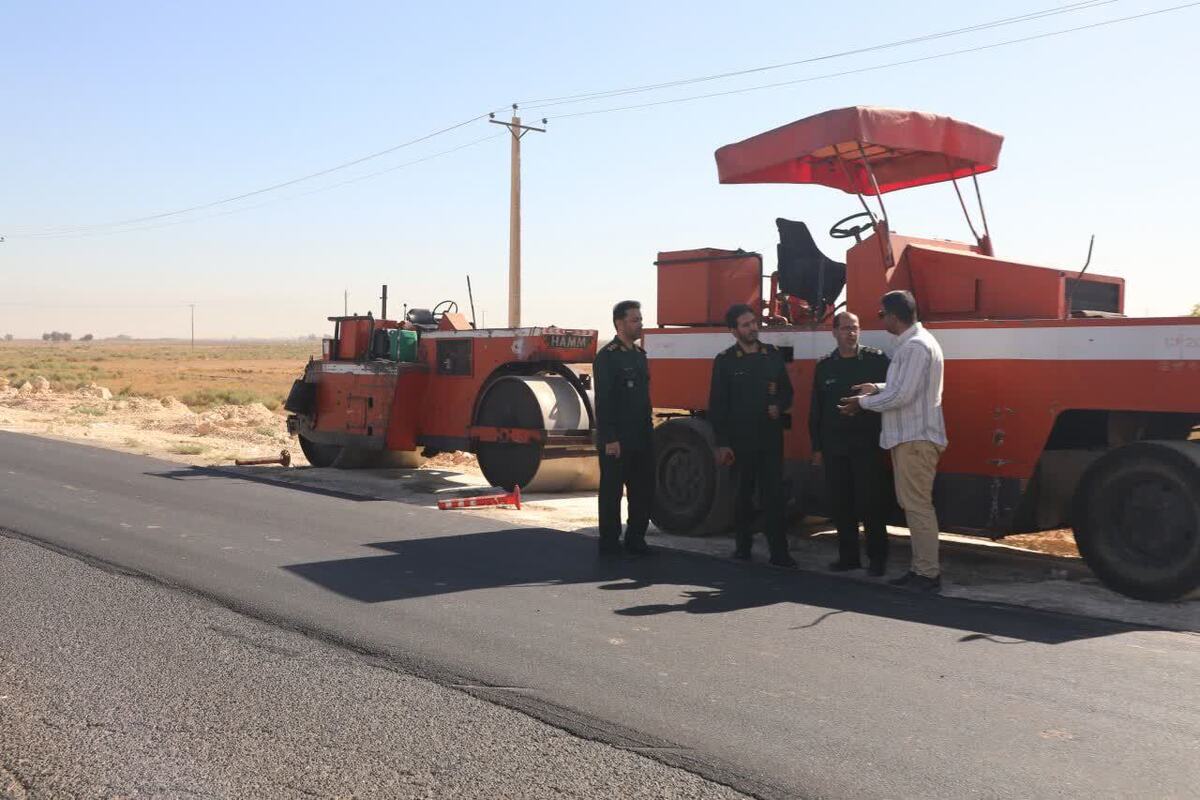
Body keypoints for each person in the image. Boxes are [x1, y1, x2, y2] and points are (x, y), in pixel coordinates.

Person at [839, 290, 947, 592]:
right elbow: (903, 386)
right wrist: (876, 387)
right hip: (912, 438)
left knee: (918, 506)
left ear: (894, 316)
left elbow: (902, 395)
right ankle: (920, 569)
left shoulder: (914, 347)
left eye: (882, 314)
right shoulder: (916, 344)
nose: (881, 319)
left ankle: (927, 573)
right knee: (913, 505)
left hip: (915, 439)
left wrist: (862, 403)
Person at [709, 303, 797, 568]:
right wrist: (722, 444)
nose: (752, 328)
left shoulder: (771, 356)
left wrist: (779, 406)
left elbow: (787, 392)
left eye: (754, 322)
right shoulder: (724, 361)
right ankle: (743, 548)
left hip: (770, 440)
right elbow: (718, 406)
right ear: (734, 331)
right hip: (740, 441)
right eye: (746, 325)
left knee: (773, 497)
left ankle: (779, 553)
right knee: (742, 496)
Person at [809, 312, 891, 576]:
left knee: (871, 503)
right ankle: (848, 557)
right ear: (834, 332)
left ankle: (877, 559)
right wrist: (817, 448)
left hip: (866, 444)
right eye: (845, 329)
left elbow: (895, 390)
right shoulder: (824, 367)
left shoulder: (876, 361)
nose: (851, 333)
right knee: (841, 504)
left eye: (855, 328)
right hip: (835, 447)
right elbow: (816, 411)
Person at [593, 300, 655, 556]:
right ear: (620, 324)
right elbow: (604, 401)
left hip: (641, 436)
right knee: (612, 491)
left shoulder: (639, 356)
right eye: (635, 320)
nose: (640, 324)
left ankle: (636, 538)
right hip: (617, 438)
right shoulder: (607, 357)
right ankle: (609, 541)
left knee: (642, 490)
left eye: (640, 319)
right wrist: (609, 438)